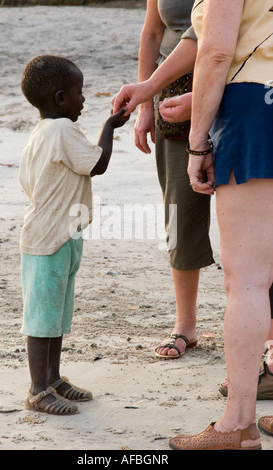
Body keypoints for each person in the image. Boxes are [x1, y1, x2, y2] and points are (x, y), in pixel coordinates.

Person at [113, 0, 273, 450]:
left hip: (257, 105)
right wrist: (172, 91)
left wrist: (200, 140)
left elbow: (217, 50)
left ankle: (237, 425)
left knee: (247, 280)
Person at [19, 55, 129, 415]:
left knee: (55, 314)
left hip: (57, 234)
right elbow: (97, 164)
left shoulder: (40, 133)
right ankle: (38, 390)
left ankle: (53, 380)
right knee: (42, 318)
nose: (84, 100)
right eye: (80, 93)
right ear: (60, 98)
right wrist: (111, 125)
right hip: (49, 239)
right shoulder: (62, 130)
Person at [134, 0, 214, 360]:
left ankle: (266, 330)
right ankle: (185, 325)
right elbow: (153, 32)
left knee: (252, 216)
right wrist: (145, 103)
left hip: (235, 85)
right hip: (172, 91)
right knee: (180, 211)